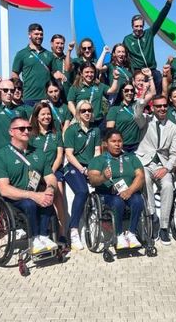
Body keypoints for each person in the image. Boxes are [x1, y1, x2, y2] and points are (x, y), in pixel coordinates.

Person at [0, 117, 59, 253]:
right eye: (21, 129)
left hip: (32, 194)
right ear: (11, 132)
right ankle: (33, 239)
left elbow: (50, 177)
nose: (26, 131)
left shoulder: (38, 153)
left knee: (47, 199)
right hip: (11, 199)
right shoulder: (0, 156)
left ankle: (43, 236)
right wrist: (34, 195)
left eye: (29, 128)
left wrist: (50, 189)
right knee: (30, 203)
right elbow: (4, 189)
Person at [88, 129, 146, 249]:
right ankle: (119, 235)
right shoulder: (98, 160)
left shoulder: (131, 158)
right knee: (117, 202)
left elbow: (140, 176)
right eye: (113, 141)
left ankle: (131, 233)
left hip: (129, 191)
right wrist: (103, 177)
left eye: (119, 141)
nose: (117, 144)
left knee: (138, 200)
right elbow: (93, 180)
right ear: (106, 143)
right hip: (108, 194)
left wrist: (129, 191)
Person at [135, 95, 176, 245]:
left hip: (163, 164)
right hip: (145, 162)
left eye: (164, 106)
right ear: (153, 108)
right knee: (145, 180)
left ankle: (164, 227)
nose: (162, 108)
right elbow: (137, 113)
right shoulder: (145, 121)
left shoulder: (173, 127)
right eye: (158, 106)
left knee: (167, 186)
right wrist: (144, 98)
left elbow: (174, 154)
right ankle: (152, 216)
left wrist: (166, 168)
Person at [63, 100, 102, 250]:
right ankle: (73, 230)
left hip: (90, 166)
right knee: (82, 191)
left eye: (89, 110)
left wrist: (94, 168)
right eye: (83, 110)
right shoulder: (72, 130)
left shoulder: (95, 130)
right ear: (78, 113)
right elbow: (69, 154)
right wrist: (83, 169)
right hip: (73, 166)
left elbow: (97, 151)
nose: (87, 113)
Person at [29, 103, 68, 242]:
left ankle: (62, 233)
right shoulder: (31, 134)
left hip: (53, 170)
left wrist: (49, 172)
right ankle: (39, 232)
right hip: (35, 172)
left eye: (48, 114)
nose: (46, 117)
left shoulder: (56, 133)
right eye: (43, 114)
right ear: (37, 116)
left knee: (59, 194)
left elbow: (59, 155)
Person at [124, 0, 175, 94]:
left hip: (152, 69)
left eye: (140, 26)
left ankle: (159, 105)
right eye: (136, 26)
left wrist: (168, 3)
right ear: (132, 26)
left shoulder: (149, 33)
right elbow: (123, 56)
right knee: (139, 94)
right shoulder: (127, 39)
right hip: (138, 72)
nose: (139, 28)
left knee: (160, 82)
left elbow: (160, 19)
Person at [106, 70, 155, 152]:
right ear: (122, 92)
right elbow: (110, 130)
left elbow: (153, 93)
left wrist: (150, 77)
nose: (129, 93)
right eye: (126, 90)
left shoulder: (137, 105)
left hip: (137, 147)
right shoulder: (115, 109)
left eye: (132, 91)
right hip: (121, 147)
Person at [11, 23, 54, 107]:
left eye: (41, 34)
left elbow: (54, 73)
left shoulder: (49, 54)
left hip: (47, 97)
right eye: (36, 34)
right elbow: (14, 74)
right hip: (29, 97)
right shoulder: (21, 54)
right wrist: (20, 88)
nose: (39, 36)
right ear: (29, 35)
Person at [67, 62, 119, 130]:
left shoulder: (99, 85)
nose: (89, 74)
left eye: (92, 72)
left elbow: (112, 90)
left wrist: (116, 78)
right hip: (82, 122)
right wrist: (76, 115)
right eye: (87, 72)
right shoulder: (75, 87)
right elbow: (70, 102)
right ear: (82, 74)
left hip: (98, 122)